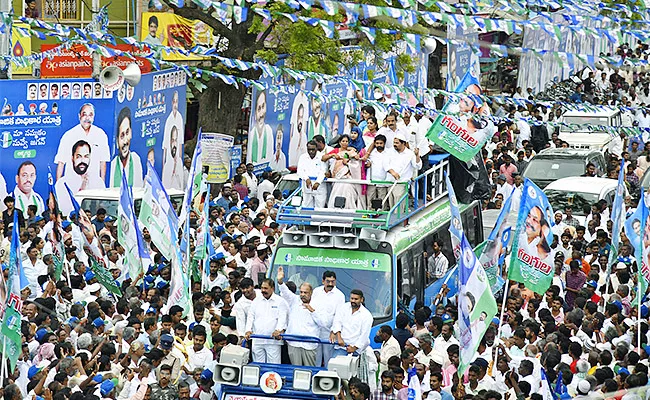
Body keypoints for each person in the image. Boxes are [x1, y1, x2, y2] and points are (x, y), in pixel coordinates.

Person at [55, 103, 110, 186]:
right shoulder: (69, 135)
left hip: (93, 184)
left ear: (93, 117)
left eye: (90, 115)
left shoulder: (101, 135)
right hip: (72, 183)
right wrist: (58, 187)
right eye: (84, 114)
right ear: (79, 116)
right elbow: (61, 162)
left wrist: (102, 185)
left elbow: (103, 162)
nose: (87, 118)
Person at [277, 266, 321, 366]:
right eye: (301, 292)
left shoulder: (317, 304)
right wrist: (280, 282)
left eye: (305, 292)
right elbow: (285, 292)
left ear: (311, 293)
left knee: (309, 372)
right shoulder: (294, 300)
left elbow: (323, 323)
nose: (302, 294)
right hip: (294, 343)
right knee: (296, 372)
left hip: (309, 345)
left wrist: (312, 311)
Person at [55, 140, 106, 215]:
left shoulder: (98, 182)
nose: (82, 161)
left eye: (86, 156)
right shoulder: (62, 184)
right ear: (72, 158)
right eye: (78, 157)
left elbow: (102, 207)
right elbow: (63, 211)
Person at [244, 278, 289, 363]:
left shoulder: (280, 301)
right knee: (258, 366)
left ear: (272, 288)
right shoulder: (256, 301)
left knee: (273, 367)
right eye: (262, 288)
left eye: (265, 288)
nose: (263, 290)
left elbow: (282, 318)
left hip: (273, 341)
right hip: (257, 339)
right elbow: (251, 317)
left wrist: (278, 330)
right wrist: (248, 330)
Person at [321, 134, 362, 209]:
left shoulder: (352, 152)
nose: (345, 143)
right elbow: (323, 158)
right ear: (339, 142)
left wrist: (349, 162)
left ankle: (349, 208)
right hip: (338, 177)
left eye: (346, 141)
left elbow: (356, 164)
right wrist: (332, 155)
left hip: (348, 177)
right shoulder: (336, 151)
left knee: (348, 189)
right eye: (343, 141)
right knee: (337, 190)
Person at [330, 289, 373, 357]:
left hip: (355, 350)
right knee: (334, 367)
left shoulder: (366, 315)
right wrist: (339, 337)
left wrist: (354, 348)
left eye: (356, 299)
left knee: (351, 367)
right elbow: (337, 321)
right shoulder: (344, 307)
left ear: (361, 299)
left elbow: (364, 335)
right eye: (352, 298)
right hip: (341, 347)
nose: (353, 301)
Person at [385, 132, 421, 212]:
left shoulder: (410, 154)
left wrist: (417, 155)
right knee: (392, 205)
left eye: (397, 143)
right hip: (390, 182)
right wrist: (393, 172)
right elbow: (385, 165)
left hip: (402, 183)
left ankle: (397, 221)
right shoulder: (389, 151)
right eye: (394, 142)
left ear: (403, 143)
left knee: (398, 207)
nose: (395, 144)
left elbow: (417, 166)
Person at [109, 107, 144, 188]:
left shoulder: (135, 160)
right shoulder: (113, 165)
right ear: (117, 140)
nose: (125, 141)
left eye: (127, 133)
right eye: (122, 136)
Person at [162, 91, 184, 189]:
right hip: (169, 160)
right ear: (171, 102)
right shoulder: (168, 120)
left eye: (177, 102)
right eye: (174, 101)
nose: (175, 104)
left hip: (177, 160)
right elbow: (165, 147)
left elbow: (180, 144)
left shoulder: (179, 118)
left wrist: (178, 160)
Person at [297, 140, 327, 208]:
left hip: (319, 187)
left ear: (316, 148)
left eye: (313, 149)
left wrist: (318, 182)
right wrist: (306, 179)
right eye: (309, 149)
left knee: (319, 208)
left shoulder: (321, 157)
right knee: (306, 207)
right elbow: (300, 170)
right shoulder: (303, 157)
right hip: (307, 186)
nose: (311, 151)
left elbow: (323, 171)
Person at [247, 91, 274, 165]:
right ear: (255, 111)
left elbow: (270, 156)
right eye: (258, 109)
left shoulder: (268, 131)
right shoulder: (252, 133)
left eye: (263, 106)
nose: (261, 113)